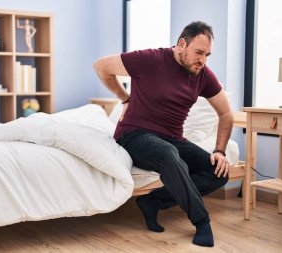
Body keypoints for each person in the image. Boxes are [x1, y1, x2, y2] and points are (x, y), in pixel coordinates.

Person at [93, 21, 233, 247]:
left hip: (172, 138)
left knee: (219, 173)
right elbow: (101, 66)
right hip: (134, 134)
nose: (203, 60)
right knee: (169, 153)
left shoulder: (203, 74)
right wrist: (124, 98)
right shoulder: (150, 59)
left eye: (207, 54)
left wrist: (220, 150)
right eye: (198, 52)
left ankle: (153, 202)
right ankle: (202, 222)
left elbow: (226, 113)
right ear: (181, 44)